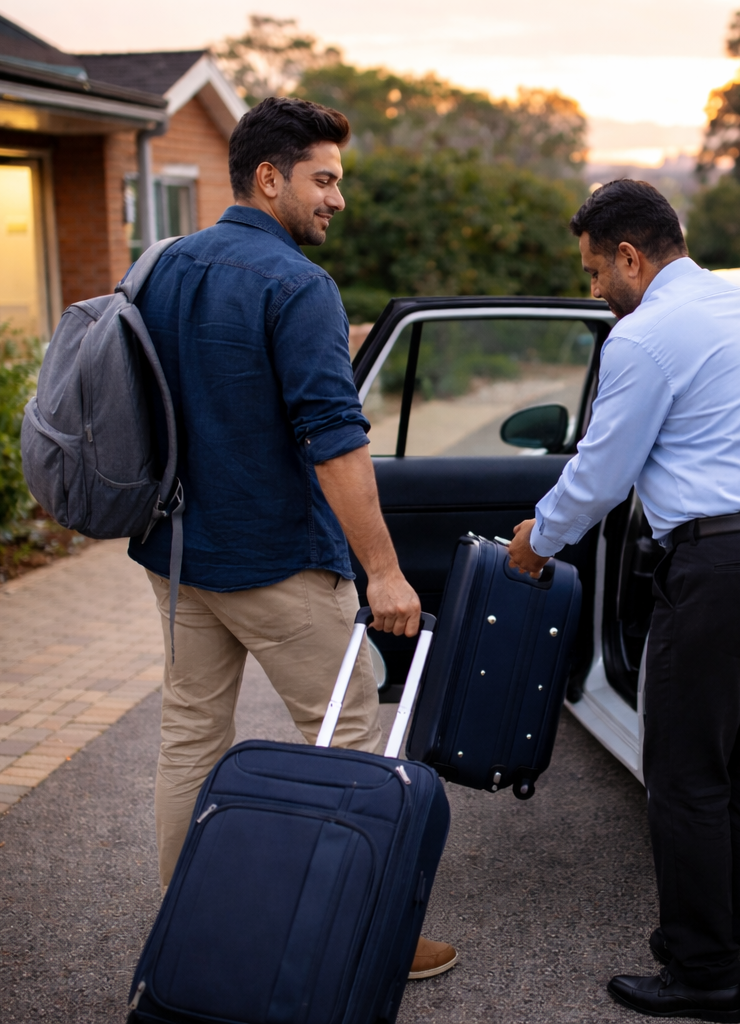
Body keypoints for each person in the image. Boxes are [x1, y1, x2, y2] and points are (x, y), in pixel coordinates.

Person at [129, 96, 456, 980]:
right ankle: (360, 935)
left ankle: (189, 929)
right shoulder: (299, 285)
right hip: (278, 562)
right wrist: (384, 571)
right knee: (344, 731)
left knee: (191, 735)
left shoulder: (160, 267)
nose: (337, 199)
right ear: (270, 178)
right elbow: (334, 438)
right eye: (324, 179)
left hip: (178, 553)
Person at [506, 180, 740, 1021]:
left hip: (724, 571)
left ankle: (702, 976)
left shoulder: (644, 336)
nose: (594, 289)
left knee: (684, 777)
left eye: (594, 272)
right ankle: (723, 934)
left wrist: (538, 540)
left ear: (630, 256)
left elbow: (602, 473)